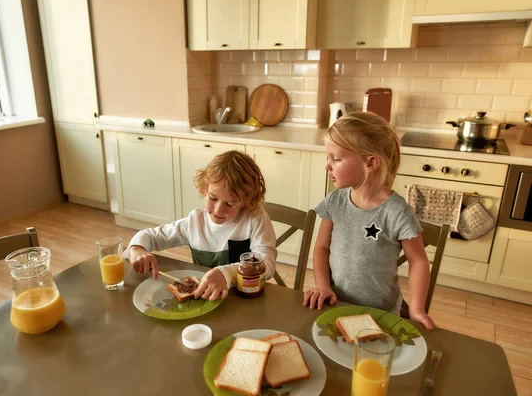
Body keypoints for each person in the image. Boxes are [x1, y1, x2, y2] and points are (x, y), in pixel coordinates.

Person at [303, 111, 436, 330]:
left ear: (370, 163)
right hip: (335, 304)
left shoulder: (396, 211)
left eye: (336, 158)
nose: (328, 165)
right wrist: (322, 286)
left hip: (380, 314)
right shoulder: (335, 201)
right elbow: (321, 247)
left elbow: (418, 261)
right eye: (328, 157)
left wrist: (417, 309)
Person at [125, 150, 277, 301]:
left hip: (244, 301)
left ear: (246, 201)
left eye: (230, 204)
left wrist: (225, 274)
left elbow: (267, 265)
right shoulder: (195, 222)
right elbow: (149, 236)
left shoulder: (255, 218)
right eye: (213, 198)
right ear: (205, 188)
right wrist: (137, 249)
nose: (218, 210)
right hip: (206, 301)